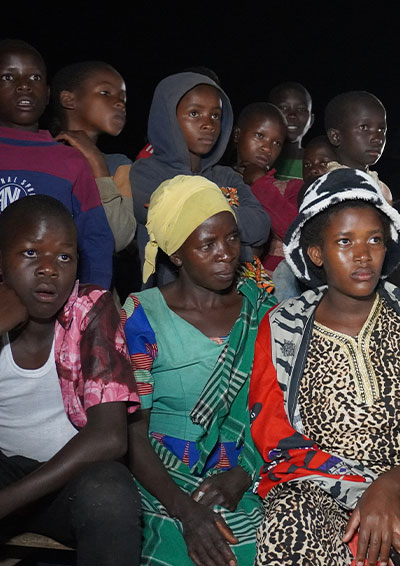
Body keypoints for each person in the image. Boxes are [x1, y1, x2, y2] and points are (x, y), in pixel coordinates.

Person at [123, 175, 276, 566]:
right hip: (162, 478)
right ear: (176, 254)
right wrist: (184, 511)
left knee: (265, 544)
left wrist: (244, 474)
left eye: (231, 239)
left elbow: (279, 413)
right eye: (207, 245)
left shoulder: (262, 313)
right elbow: (131, 431)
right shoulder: (143, 316)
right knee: (183, 548)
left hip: (247, 473)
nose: (226, 254)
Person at [249, 168, 400, 565]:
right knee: (288, 523)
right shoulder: (283, 326)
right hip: (321, 490)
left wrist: (391, 483)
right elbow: (273, 432)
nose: (363, 255)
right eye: (345, 241)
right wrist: (358, 493)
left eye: (374, 239)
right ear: (317, 253)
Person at [0, 195, 141, 566]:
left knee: (110, 492)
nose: (49, 269)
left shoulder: (90, 310)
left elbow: (110, 437)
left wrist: (7, 501)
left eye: (64, 257)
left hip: (66, 482)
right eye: (31, 253)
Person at [131, 71, 270, 287]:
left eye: (215, 116)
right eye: (195, 113)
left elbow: (261, 226)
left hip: (236, 297)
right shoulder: (146, 173)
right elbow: (171, 229)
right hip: (171, 298)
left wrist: (197, 212)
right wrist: (235, 228)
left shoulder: (226, 176)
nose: (208, 124)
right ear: (167, 118)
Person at [0, 39, 114, 289]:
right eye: (8, 77)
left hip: (50, 299)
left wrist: (93, 298)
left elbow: (96, 239)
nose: (24, 86)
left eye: (35, 78)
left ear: (48, 94)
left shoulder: (69, 160)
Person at [51, 60, 136, 253]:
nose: (120, 103)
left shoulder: (118, 165)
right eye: (105, 93)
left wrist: (96, 162)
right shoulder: (41, 156)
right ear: (68, 100)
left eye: (123, 97)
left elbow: (118, 238)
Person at [232, 102, 303, 274]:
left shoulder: (286, 189)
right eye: (259, 136)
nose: (267, 148)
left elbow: (294, 232)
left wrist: (260, 183)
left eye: (277, 143)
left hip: (270, 283)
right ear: (237, 135)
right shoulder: (215, 179)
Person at [272, 135, 336, 301]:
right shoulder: (302, 195)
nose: (313, 169)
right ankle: (283, 314)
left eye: (323, 163)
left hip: (337, 260)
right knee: (285, 270)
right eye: (307, 165)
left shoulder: (346, 195)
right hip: (310, 259)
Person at [325, 90, 393, 204]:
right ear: (335, 136)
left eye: (381, 129)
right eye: (364, 127)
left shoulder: (383, 190)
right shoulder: (326, 188)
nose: (377, 138)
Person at [268, 81, 314, 181]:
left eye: (301, 109)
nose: (292, 115)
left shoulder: (317, 165)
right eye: (283, 108)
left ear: (311, 120)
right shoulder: (259, 160)